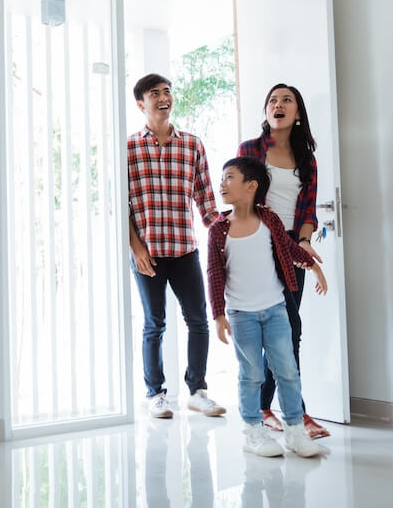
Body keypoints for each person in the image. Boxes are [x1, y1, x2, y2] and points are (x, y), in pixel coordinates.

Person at [207, 156, 327, 457]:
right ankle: (253, 432)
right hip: (241, 315)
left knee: (287, 370)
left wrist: (313, 267)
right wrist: (219, 315)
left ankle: (295, 431)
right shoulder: (218, 230)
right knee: (251, 374)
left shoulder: (269, 221)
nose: (222, 183)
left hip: (275, 311)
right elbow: (214, 273)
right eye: (222, 177)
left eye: (229, 177)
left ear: (251, 186)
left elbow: (289, 249)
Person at [128, 73, 226, 419]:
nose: (164, 98)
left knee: (198, 320)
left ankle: (197, 390)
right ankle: (155, 393)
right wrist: (136, 248)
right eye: (155, 93)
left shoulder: (192, 145)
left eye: (167, 92)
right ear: (141, 104)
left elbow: (206, 202)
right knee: (154, 323)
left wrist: (228, 235)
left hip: (185, 248)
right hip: (148, 252)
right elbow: (120, 206)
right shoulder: (128, 148)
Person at [237, 83, 330, 438]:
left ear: (297, 113)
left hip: (292, 249)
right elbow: (242, 203)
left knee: (285, 329)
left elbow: (308, 209)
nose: (278, 104)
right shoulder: (250, 150)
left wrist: (304, 242)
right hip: (260, 247)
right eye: (272, 100)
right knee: (290, 328)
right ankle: (298, 414)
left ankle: (263, 407)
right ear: (266, 111)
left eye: (286, 100)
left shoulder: (307, 159)